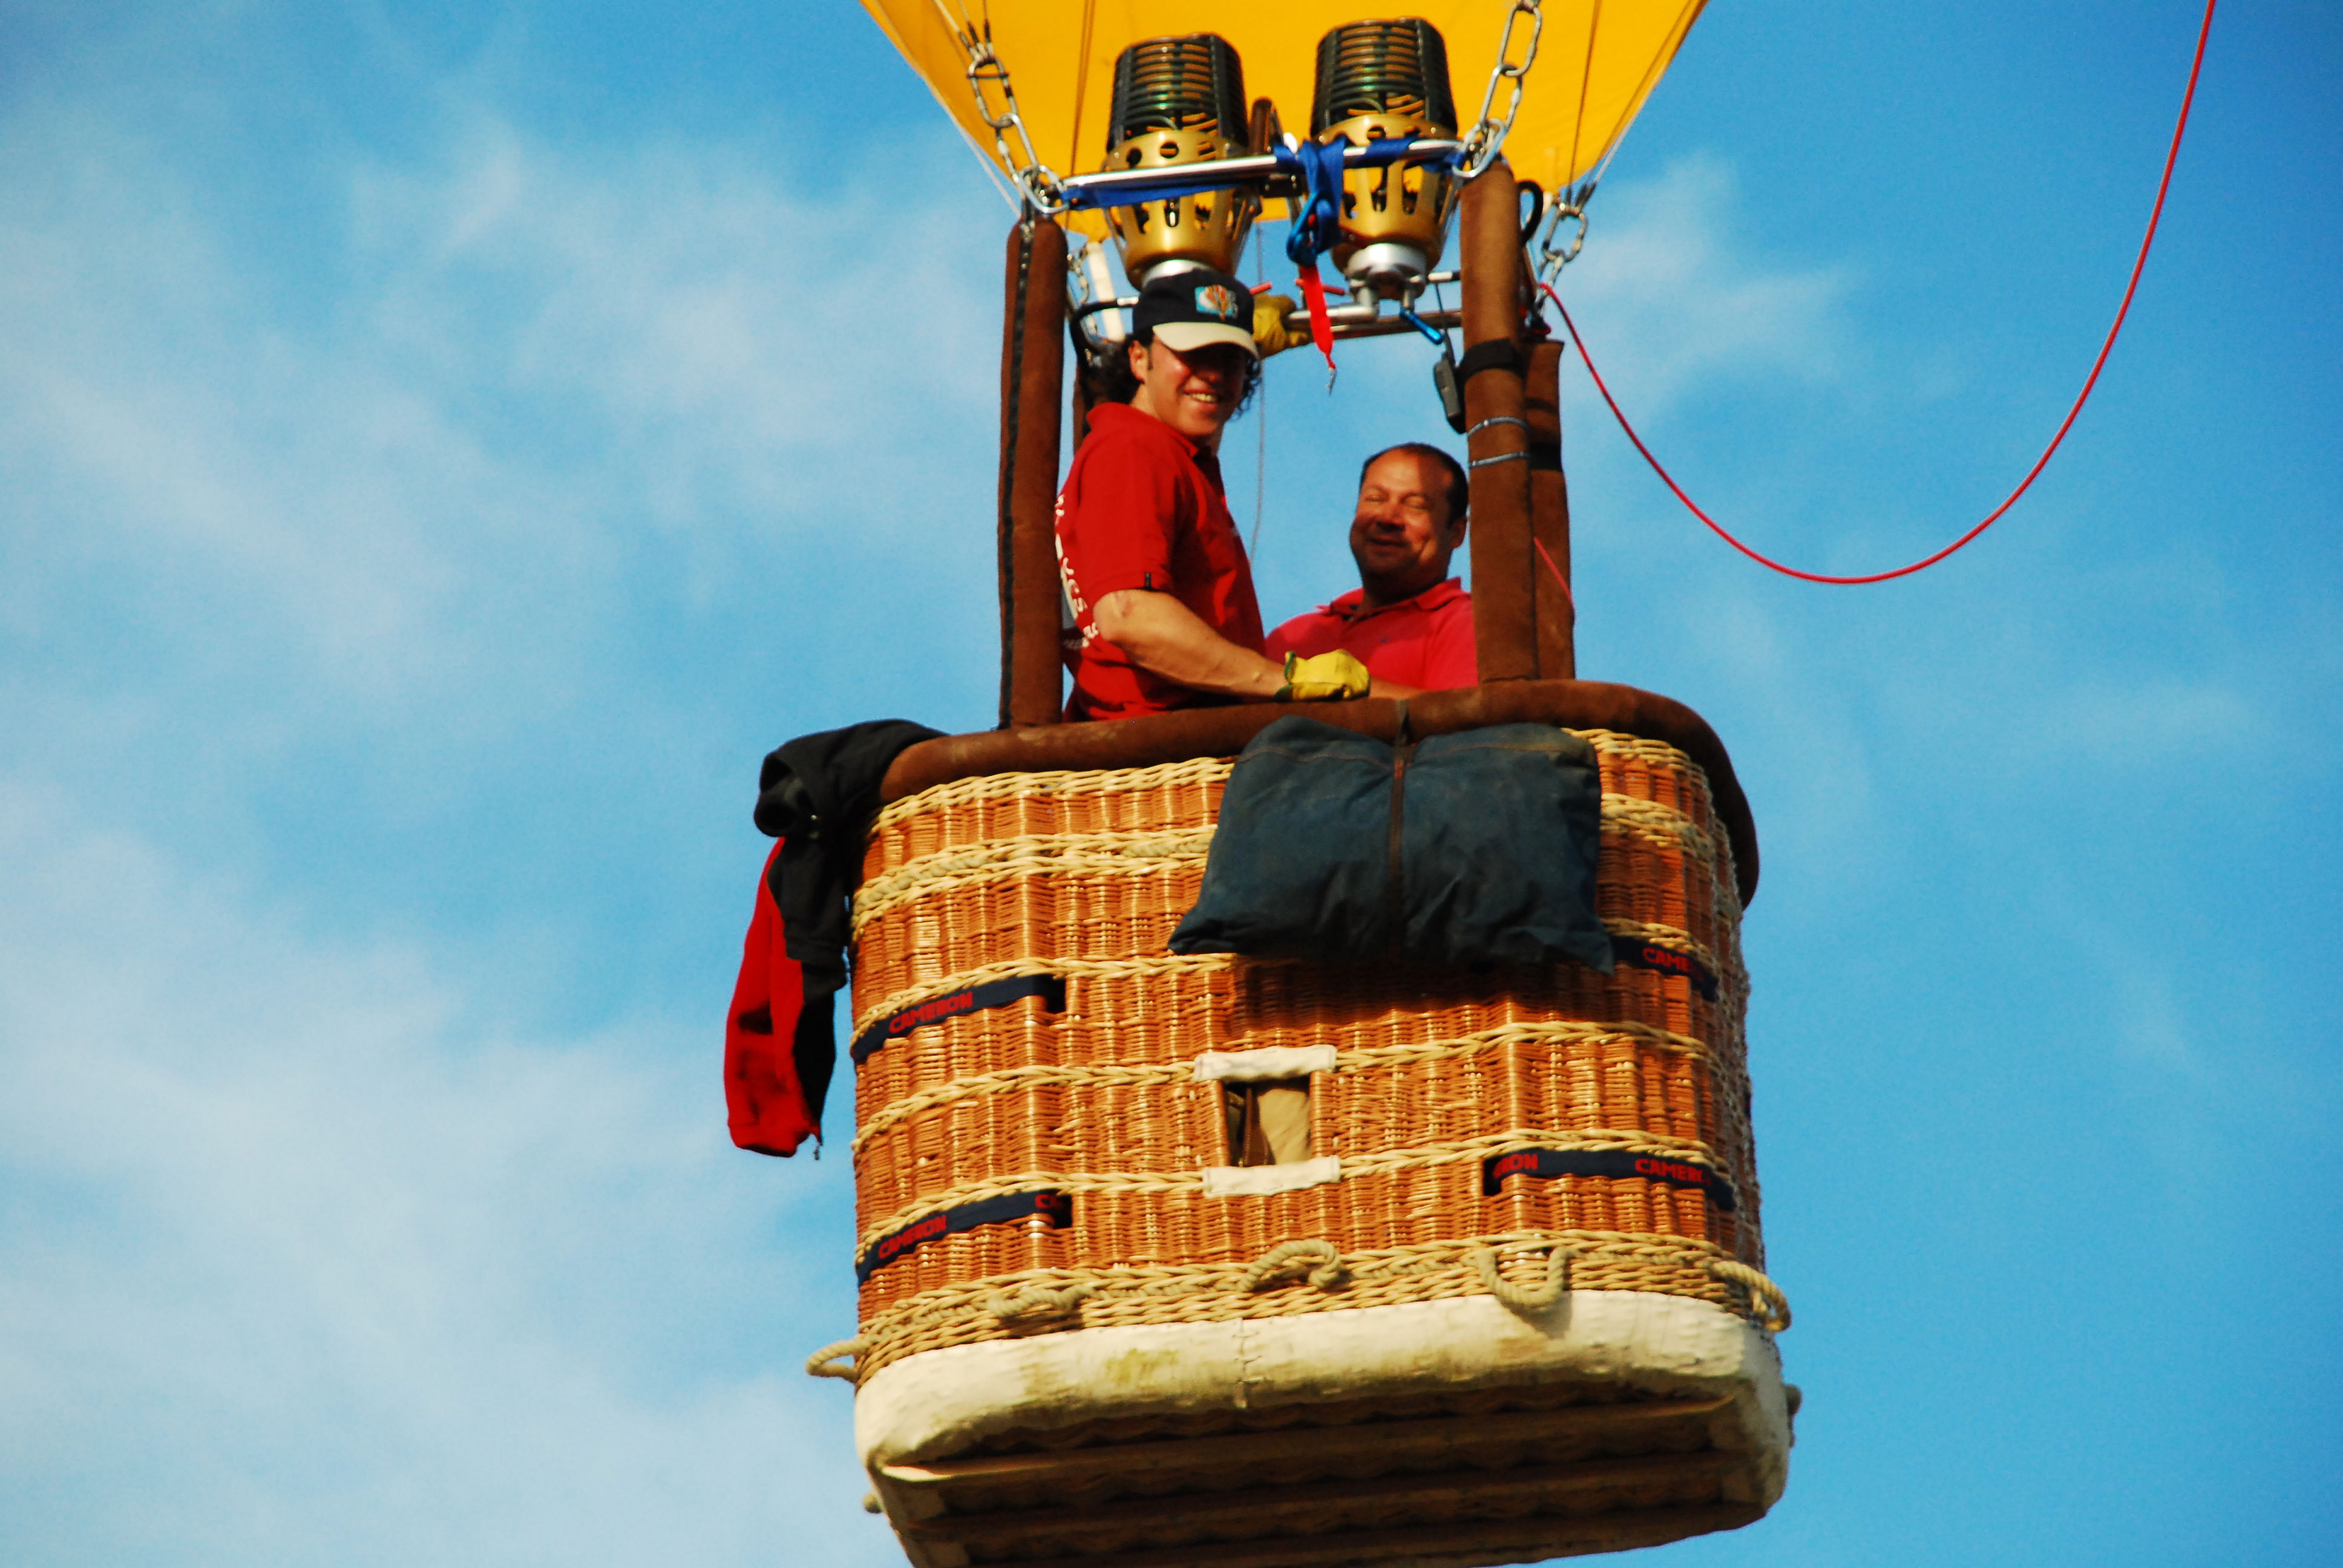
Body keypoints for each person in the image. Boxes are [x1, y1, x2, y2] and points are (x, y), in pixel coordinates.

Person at [1055, 267, 1374, 721]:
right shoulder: (1133, 449)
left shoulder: (1164, 452)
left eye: (1229, 359)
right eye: (1192, 354)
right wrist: (1282, 681)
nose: (1212, 375)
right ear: (1139, 359)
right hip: (1165, 749)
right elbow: (1130, 613)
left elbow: (1199, 410)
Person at [1265, 442, 1478, 692]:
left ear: (1457, 533)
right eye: (1375, 499)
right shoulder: (1293, 635)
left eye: (1416, 505)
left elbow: (1464, 720)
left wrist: (1357, 691)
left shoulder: (1468, 624)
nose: (1387, 518)